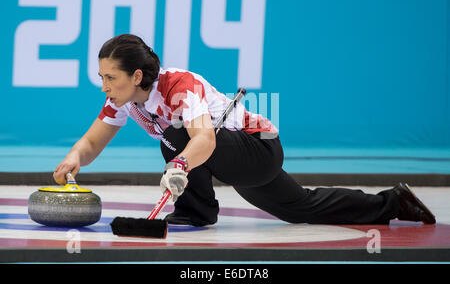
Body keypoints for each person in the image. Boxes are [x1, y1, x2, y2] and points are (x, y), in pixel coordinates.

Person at [53, 34, 436, 227]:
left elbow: (203, 138)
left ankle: (196, 211)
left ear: (136, 75)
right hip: (231, 157)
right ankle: (393, 203)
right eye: (101, 76)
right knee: (300, 207)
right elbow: (92, 141)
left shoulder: (177, 86)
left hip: (259, 147)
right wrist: (74, 158)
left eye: (110, 77)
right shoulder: (124, 100)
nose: (102, 84)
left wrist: (179, 166)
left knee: (177, 134)